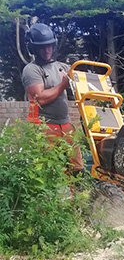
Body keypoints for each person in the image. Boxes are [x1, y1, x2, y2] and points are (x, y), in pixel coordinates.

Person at [22, 23, 84, 176]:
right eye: (42, 47)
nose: (47, 50)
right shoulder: (32, 69)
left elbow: (80, 81)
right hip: (44, 126)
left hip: (65, 124)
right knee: (50, 172)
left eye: (49, 46)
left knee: (76, 169)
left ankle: (76, 199)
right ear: (33, 48)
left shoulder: (61, 66)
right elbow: (40, 98)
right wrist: (63, 85)